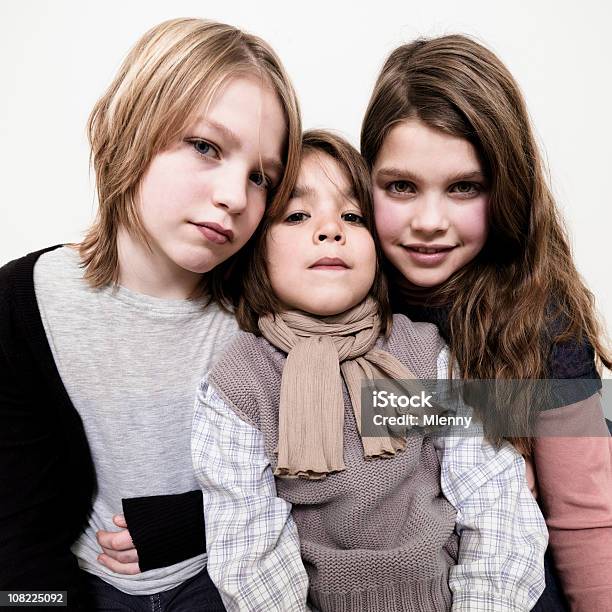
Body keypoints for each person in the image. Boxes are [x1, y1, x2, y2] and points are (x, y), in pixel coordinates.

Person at [0, 17, 301, 610]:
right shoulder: (23, 302)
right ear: (132, 125)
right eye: (206, 147)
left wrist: (511, 429)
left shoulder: (270, 307)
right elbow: (16, 548)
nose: (235, 198)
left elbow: (367, 435)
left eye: (260, 177)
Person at [193, 130, 547, 611]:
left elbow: (493, 499)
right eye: (297, 215)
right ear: (256, 248)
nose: (330, 230)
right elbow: (248, 548)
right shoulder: (243, 381)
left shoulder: (422, 354)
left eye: (353, 216)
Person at [361, 34, 612, 612]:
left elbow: (584, 517)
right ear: (365, 178)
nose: (429, 221)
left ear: (507, 188)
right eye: (401, 186)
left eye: (463, 188)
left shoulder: (543, 318)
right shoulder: (333, 294)